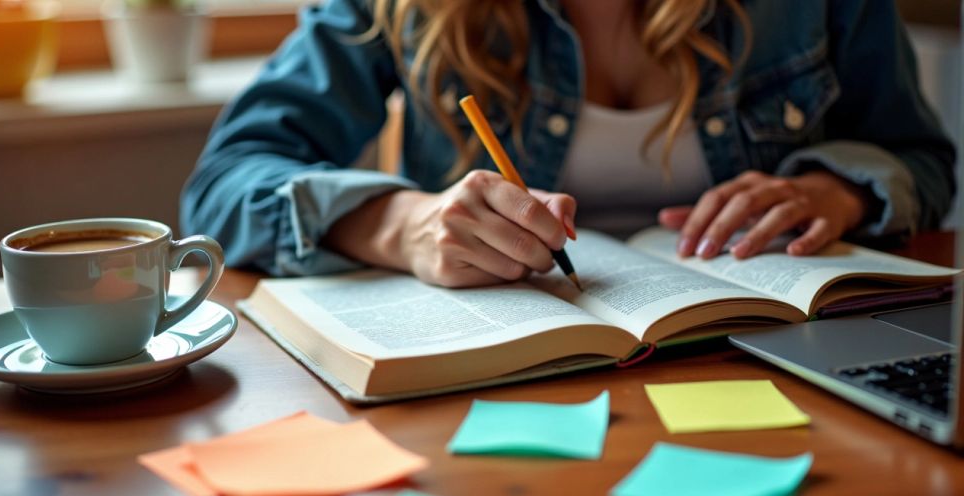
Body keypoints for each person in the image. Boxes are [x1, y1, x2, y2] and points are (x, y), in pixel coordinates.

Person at [181, 0, 955, 289]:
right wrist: (399, 224)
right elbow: (222, 188)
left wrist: (839, 190)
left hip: (761, 361)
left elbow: (923, 161)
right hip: (492, 379)